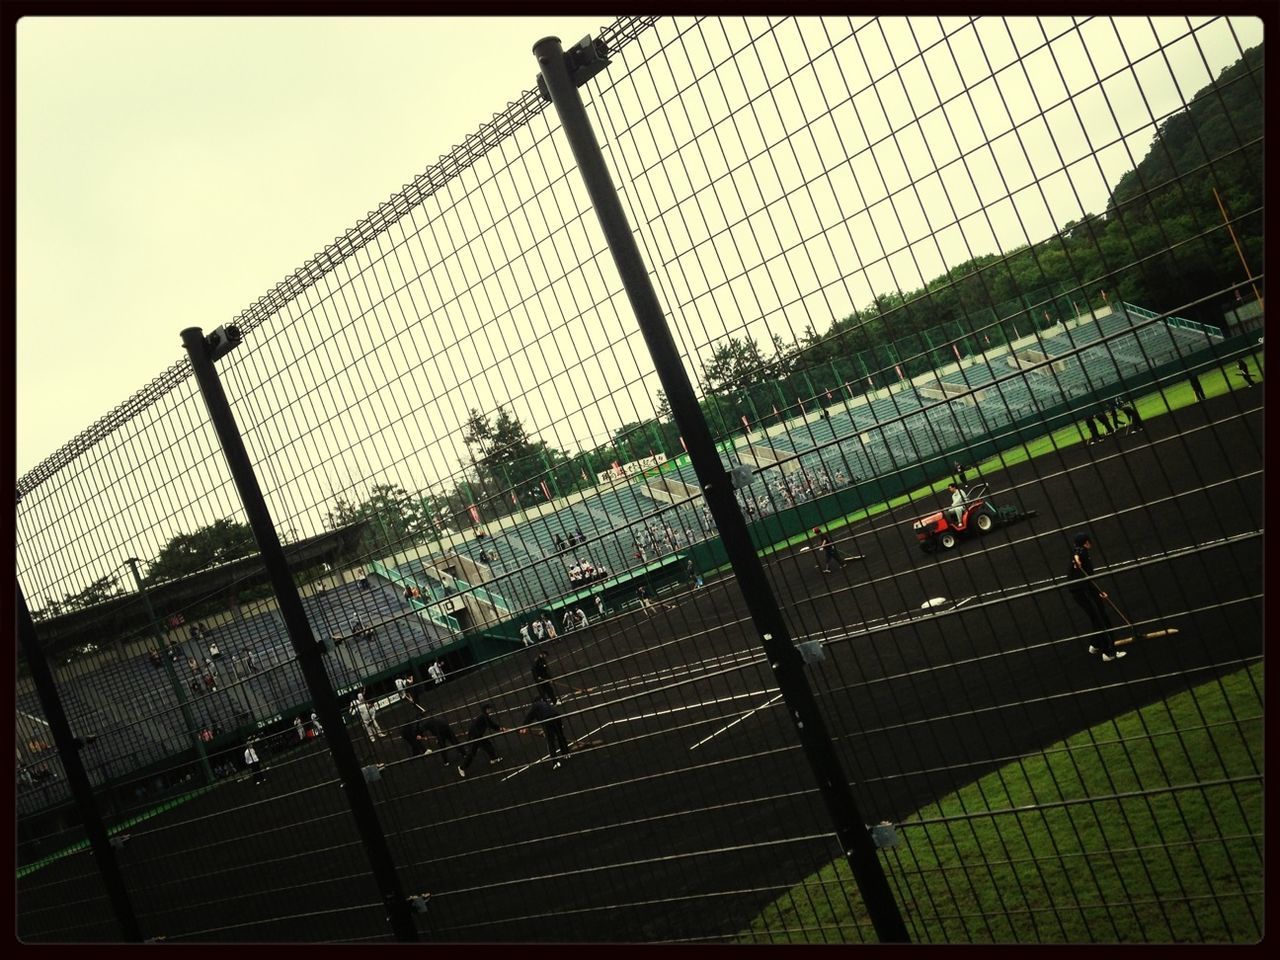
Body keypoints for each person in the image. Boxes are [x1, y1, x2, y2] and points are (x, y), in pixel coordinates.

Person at [1066, 533, 1125, 662]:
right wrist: (1077, 560)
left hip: (1084, 590)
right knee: (1101, 620)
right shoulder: (1082, 552)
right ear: (1087, 542)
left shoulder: (1081, 550)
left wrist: (1098, 591)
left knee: (1097, 617)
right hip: (1082, 591)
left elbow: (1087, 576)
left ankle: (1095, 644)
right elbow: (1077, 555)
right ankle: (1109, 653)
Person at [520, 697, 571, 769]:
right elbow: (549, 714)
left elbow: (529, 717)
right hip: (556, 717)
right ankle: (566, 753)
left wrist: (523, 727)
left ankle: (555, 762)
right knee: (560, 736)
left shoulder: (535, 706)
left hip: (547, 721)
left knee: (550, 742)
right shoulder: (545, 704)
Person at [457, 705, 506, 776]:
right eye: (489, 709)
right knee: (472, 753)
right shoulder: (484, 717)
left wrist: (500, 728)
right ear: (486, 709)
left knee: (488, 744)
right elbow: (491, 725)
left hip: (478, 736)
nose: (491, 710)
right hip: (475, 737)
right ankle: (461, 768)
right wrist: (500, 728)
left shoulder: (483, 716)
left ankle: (493, 759)